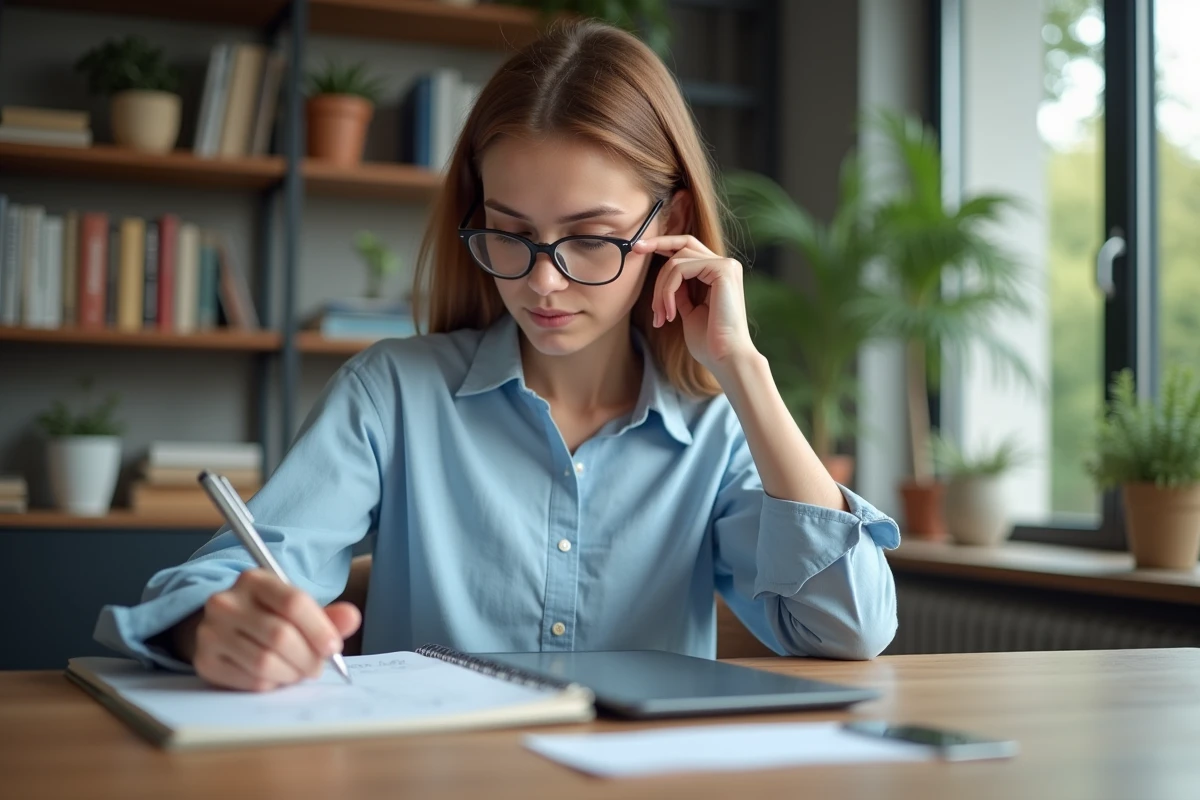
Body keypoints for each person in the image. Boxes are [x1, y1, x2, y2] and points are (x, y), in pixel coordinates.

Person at [95, 20, 900, 692]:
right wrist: (217, 626)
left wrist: (744, 371)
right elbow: (215, 584)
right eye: (511, 234)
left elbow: (847, 629)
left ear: (673, 220)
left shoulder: (718, 434)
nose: (543, 282)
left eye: (589, 237)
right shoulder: (393, 395)